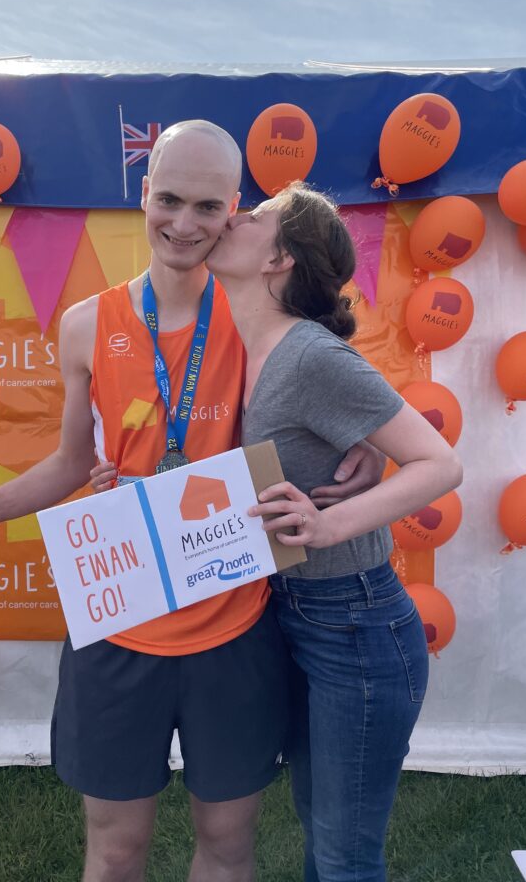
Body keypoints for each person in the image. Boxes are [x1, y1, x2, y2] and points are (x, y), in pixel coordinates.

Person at [0, 123, 384, 882]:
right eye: (169, 199)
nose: (184, 224)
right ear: (143, 194)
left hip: (234, 623)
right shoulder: (85, 325)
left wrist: (365, 444)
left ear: (234, 209)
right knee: (115, 852)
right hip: (118, 623)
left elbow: (339, 391)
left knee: (228, 847)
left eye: (207, 207)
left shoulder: (260, 320)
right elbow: (75, 459)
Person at [203, 180, 463, 882]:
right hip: (289, 612)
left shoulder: (309, 356)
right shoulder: (240, 346)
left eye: (254, 217)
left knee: (345, 856)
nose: (232, 218)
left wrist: (327, 523)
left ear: (278, 258)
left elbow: (440, 464)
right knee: (321, 831)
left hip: (356, 625)